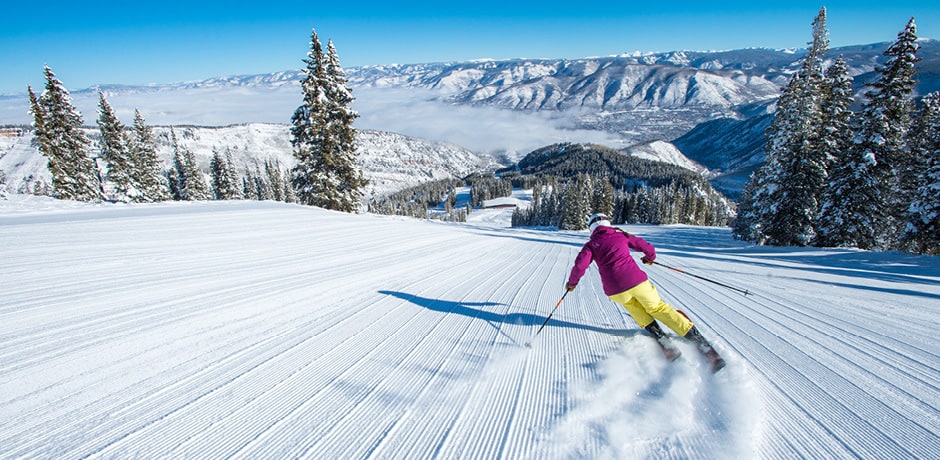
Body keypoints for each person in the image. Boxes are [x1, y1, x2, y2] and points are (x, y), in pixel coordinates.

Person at [566, 213, 725, 372]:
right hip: (636, 282)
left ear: (591, 228)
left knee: (634, 308)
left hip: (615, 291)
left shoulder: (591, 245)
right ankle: (703, 346)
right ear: (607, 223)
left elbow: (580, 266)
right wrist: (650, 257)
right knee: (658, 308)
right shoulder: (621, 235)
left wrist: (572, 284)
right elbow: (646, 247)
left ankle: (662, 340)